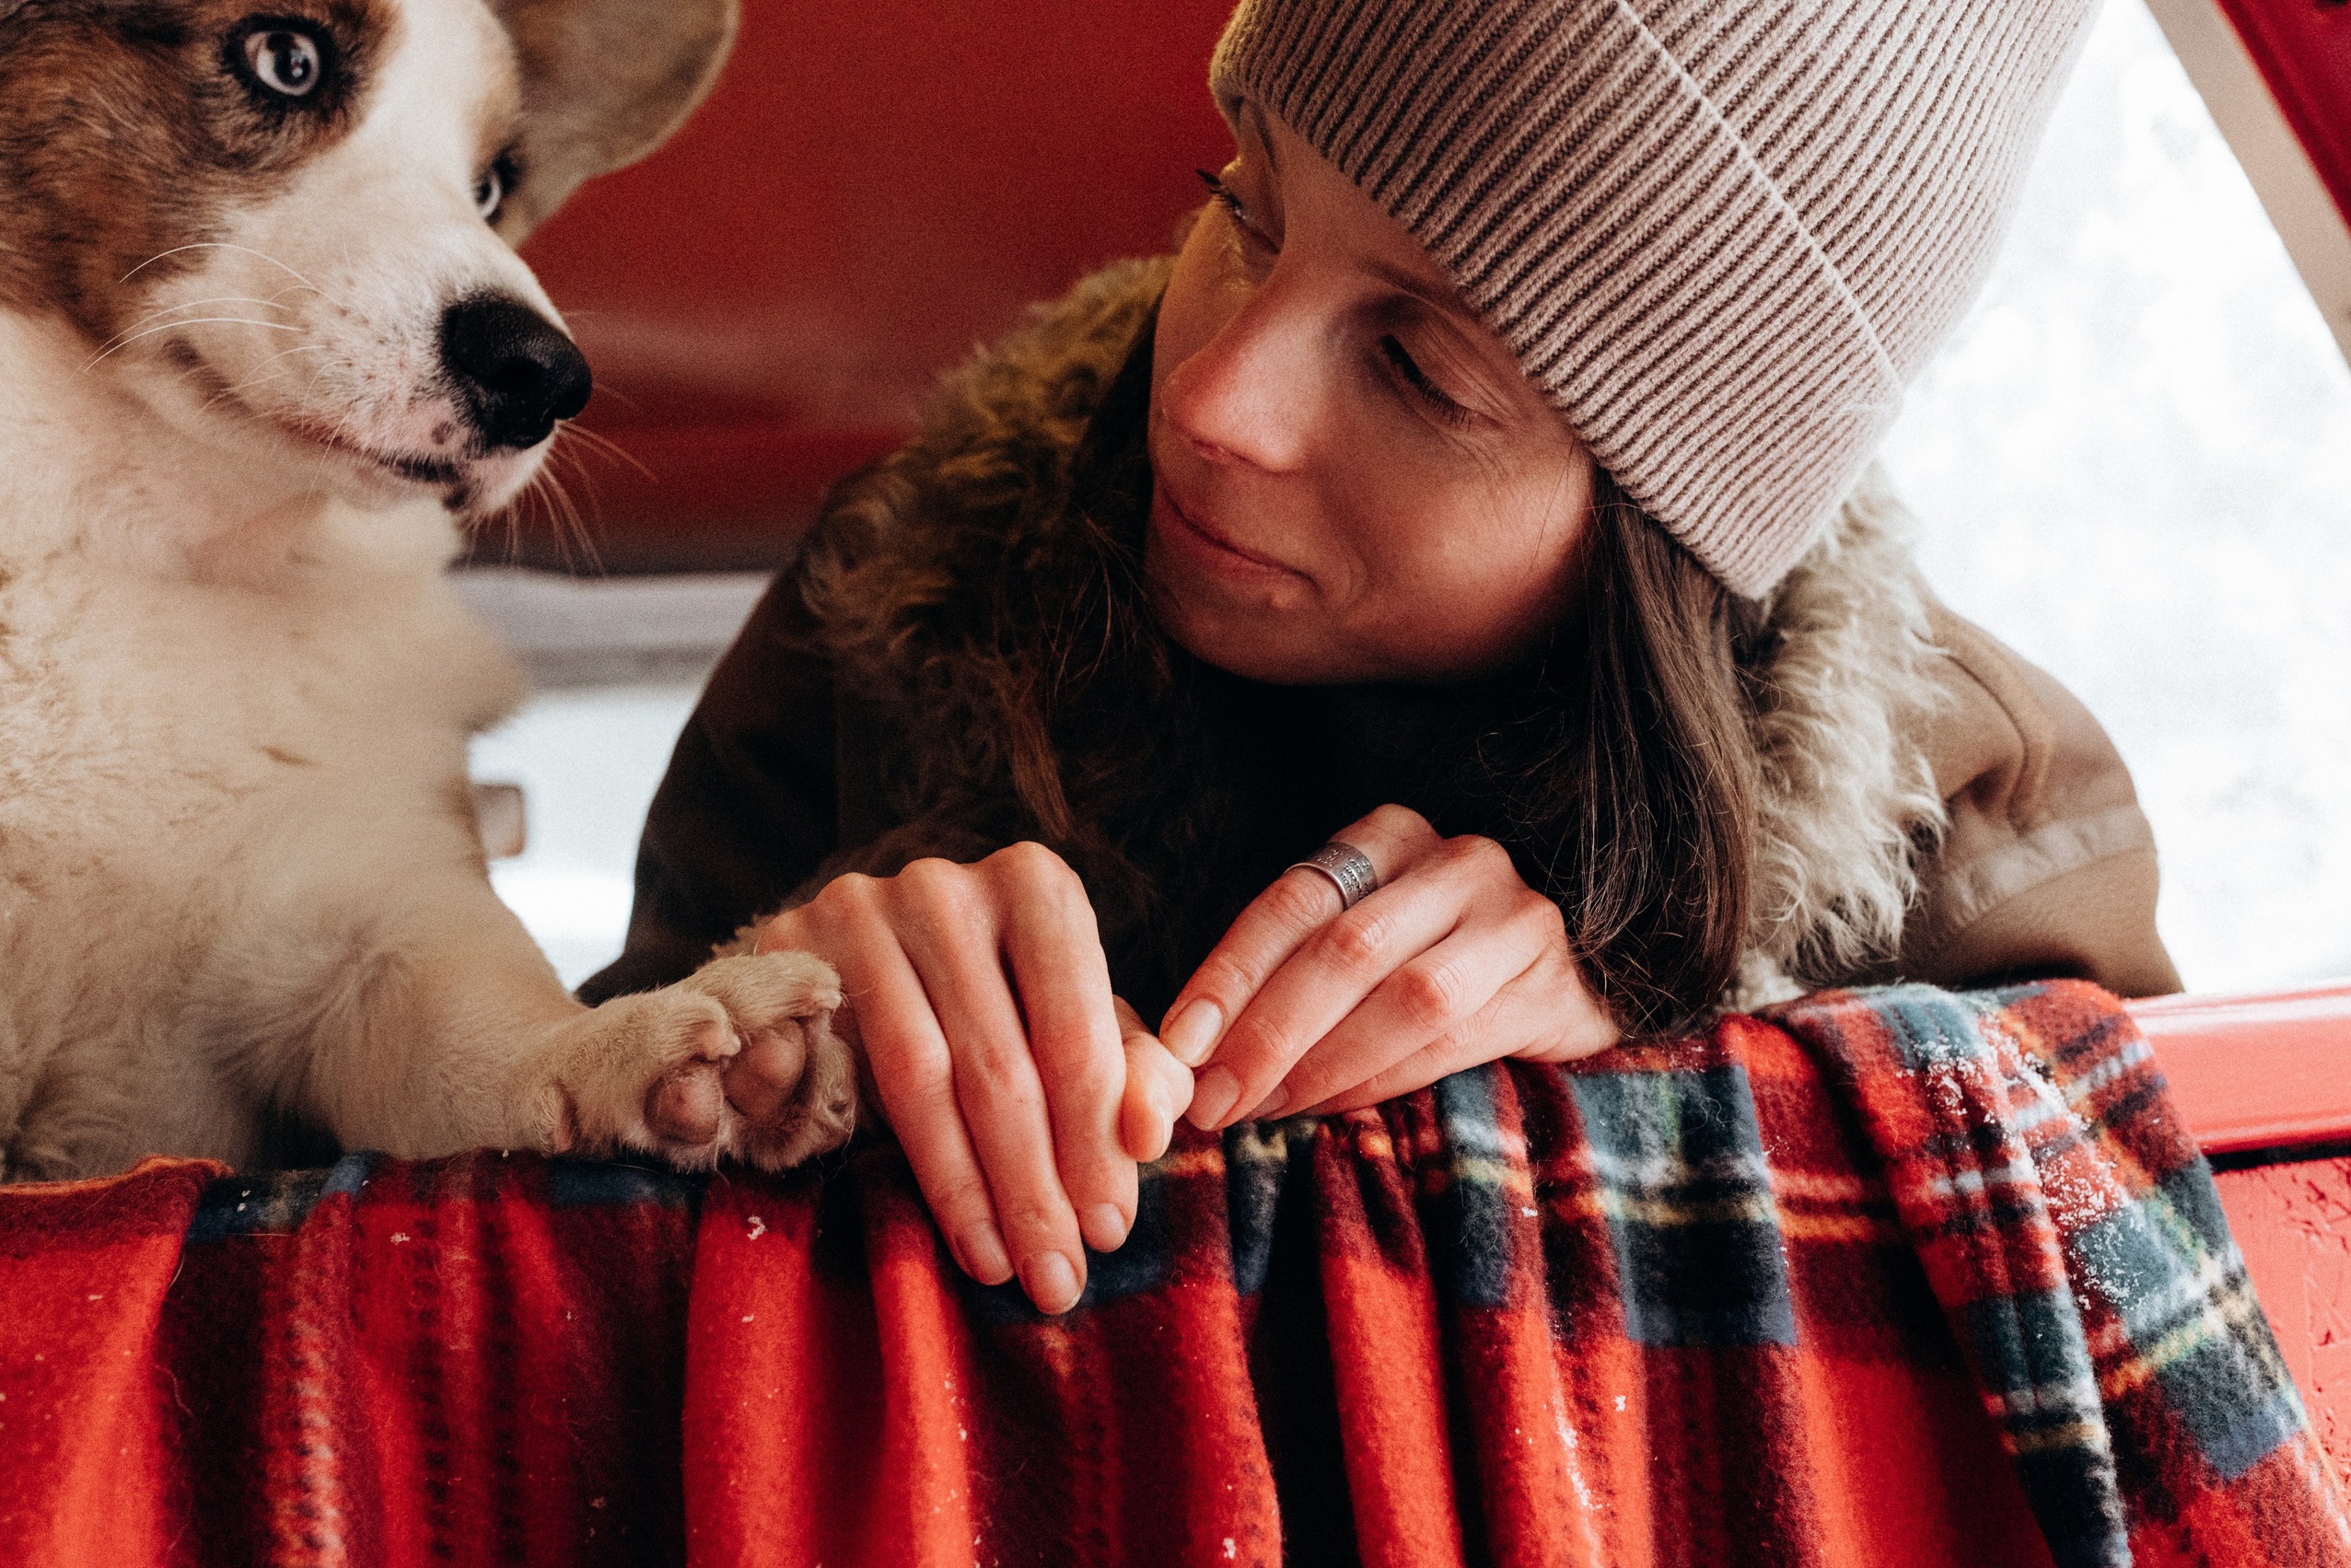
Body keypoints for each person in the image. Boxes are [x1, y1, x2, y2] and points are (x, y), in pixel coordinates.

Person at [582, 0, 2182, 1316]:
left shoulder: (1984, 838)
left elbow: (2168, 1332)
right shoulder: (880, 612)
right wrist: (748, 1037)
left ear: (1660, 533)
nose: (1216, 400)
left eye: (1418, 368)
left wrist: (1693, 1062)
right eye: (1245, 208)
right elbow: (485, 1276)